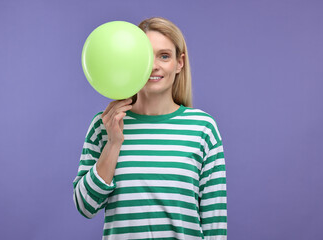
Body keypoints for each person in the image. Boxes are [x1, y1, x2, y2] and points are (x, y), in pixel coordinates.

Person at [73, 17, 227, 240]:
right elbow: (85, 206)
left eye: (164, 56)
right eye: (145, 57)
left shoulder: (203, 128)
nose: (154, 65)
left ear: (179, 63)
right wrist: (114, 143)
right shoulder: (105, 124)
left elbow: (215, 223)